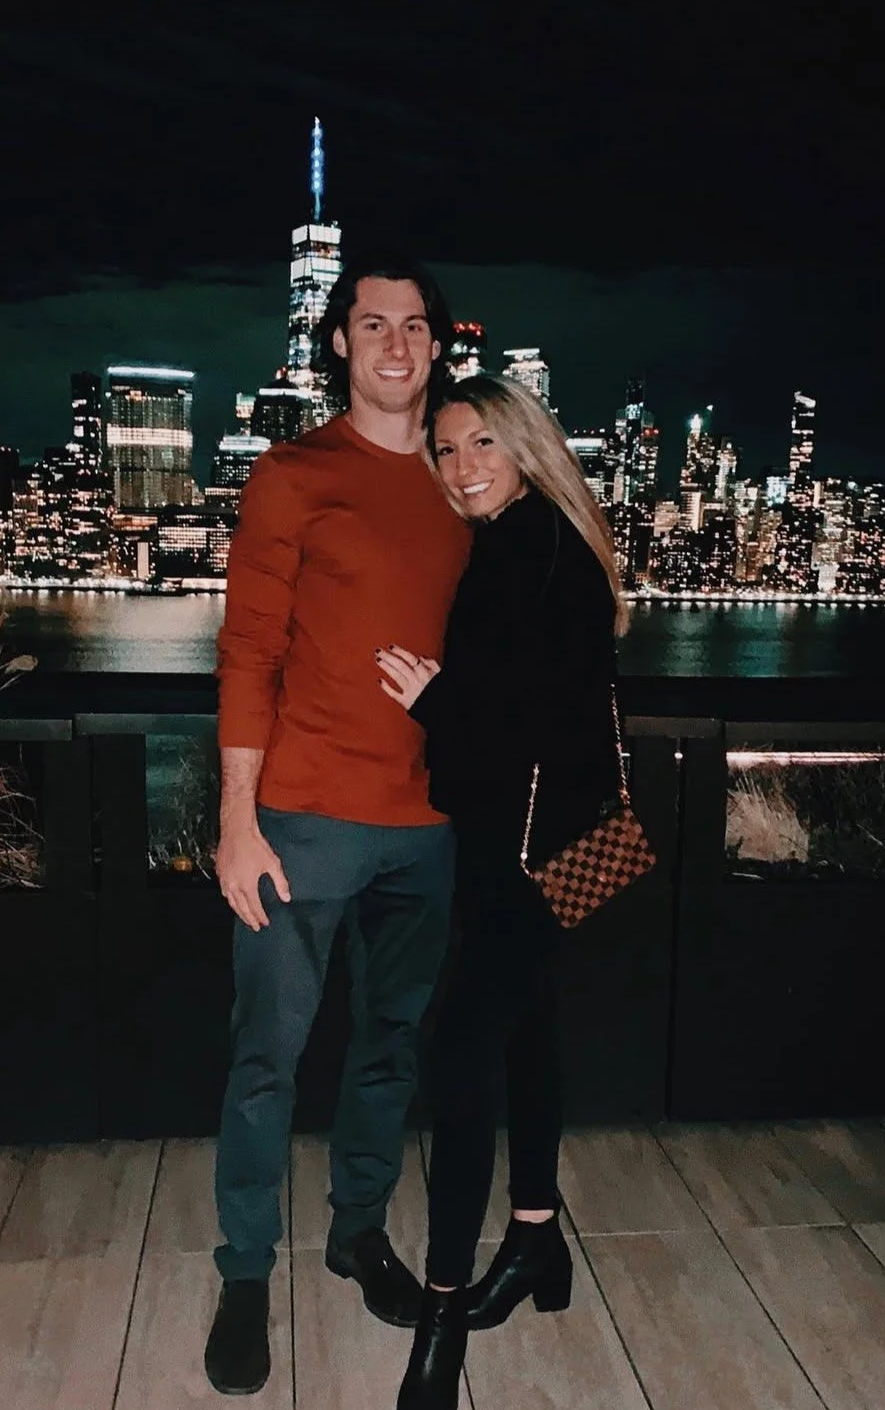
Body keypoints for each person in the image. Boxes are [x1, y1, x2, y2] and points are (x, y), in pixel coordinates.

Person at [204, 252, 471, 1397]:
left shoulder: (469, 481)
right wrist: (236, 821)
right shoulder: (294, 472)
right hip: (302, 822)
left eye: (414, 326)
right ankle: (245, 1274)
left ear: (439, 345)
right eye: (373, 324)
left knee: (389, 1050)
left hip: (431, 826)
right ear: (339, 343)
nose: (395, 344)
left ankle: (357, 1234)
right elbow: (248, 651)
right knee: (267, 1058)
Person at [376, 374, 629, 1409]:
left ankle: (441, 1309)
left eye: (482, 442)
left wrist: (435, 700)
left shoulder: (531, 551)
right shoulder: (537, 541)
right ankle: (535, 1242)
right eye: (446, 450)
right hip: (555, 836)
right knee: (530, 1026)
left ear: (526, 444)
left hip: (527, 843)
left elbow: (531, 718)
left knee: (461, 1049)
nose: (462, 465)